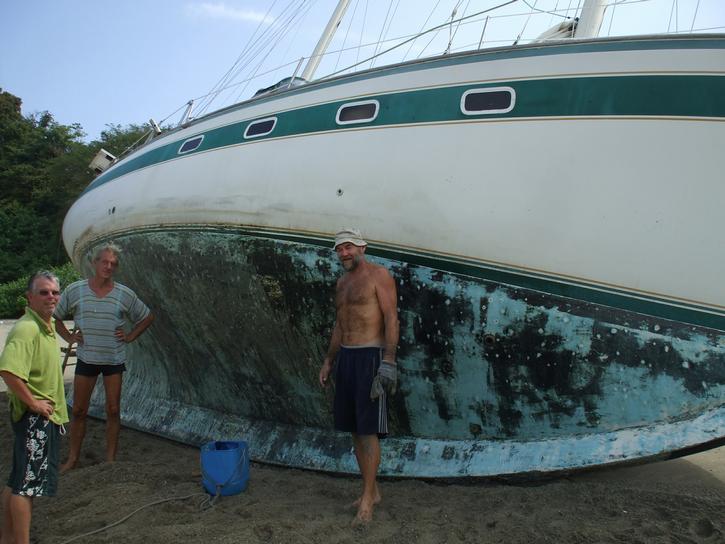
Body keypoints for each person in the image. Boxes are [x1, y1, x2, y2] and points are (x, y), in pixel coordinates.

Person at [318, 228, 399, 525]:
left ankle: (366, 500)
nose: (344, 253)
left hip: (370, 357)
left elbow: (391, 317)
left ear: (362, 247)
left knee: (368, 431)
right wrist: (329, 360)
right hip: (347, 358)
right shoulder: (342, 283)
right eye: (339, 249)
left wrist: (388, 361)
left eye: (348, 247)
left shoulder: (380, 275)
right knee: (354, 429)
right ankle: (372, 492)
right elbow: (340, 325)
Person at [54, 243, 154, 472]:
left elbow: (147, 317)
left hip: (113, 360)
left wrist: (130, 336)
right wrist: (69, 337)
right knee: (78, 410)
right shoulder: (76, 290)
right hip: (87, 358)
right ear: (94, 263)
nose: (109, 267)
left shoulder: (124, 293)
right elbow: (56, 317)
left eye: (113, 264)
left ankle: (110, 461)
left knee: (113, 410)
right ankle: (73, 459)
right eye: (105, 262)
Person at [0, 272, 69, 544]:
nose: (50, 297)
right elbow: (8, 371)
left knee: (16, 481)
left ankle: (7, 539)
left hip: (39, 417)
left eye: (54, 292)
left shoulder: (45, 326)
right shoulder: (27, 328)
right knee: (26, 487)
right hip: (35, 419)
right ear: (29, 297)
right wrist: (34, 403)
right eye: (43, 292)